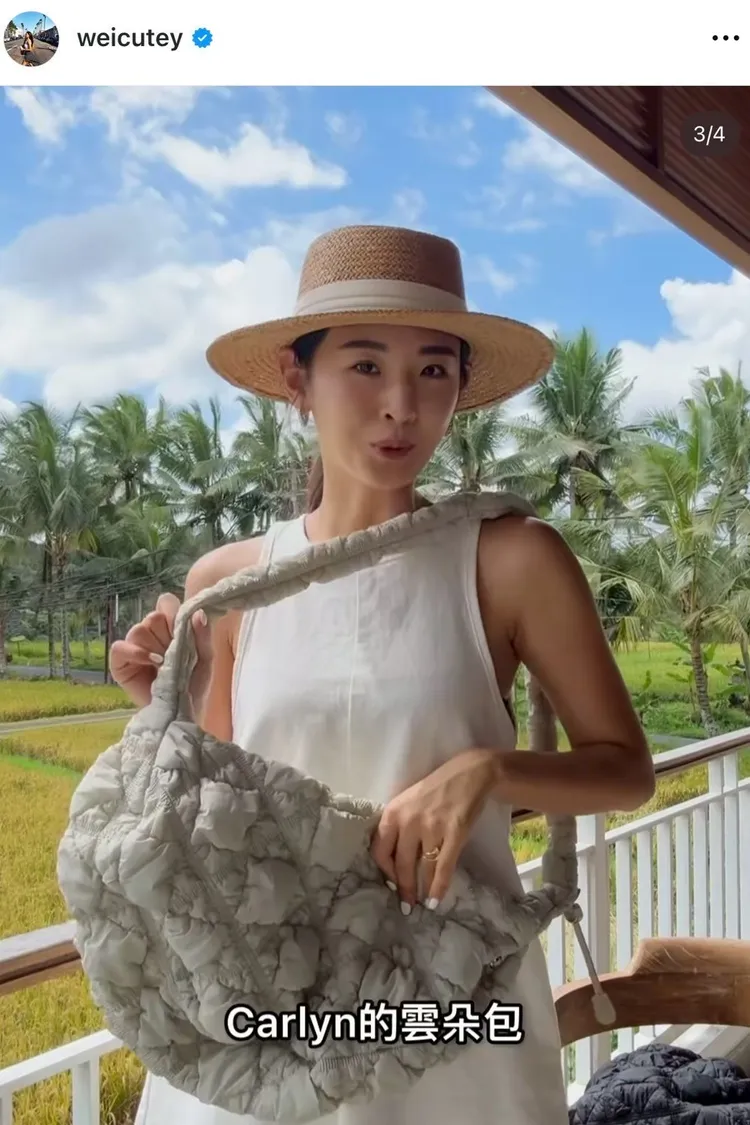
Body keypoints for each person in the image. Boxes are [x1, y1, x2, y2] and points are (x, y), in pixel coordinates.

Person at [113, 224, 655, 1125]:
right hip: (274, 1001)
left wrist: (488, 771)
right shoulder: (232, 582)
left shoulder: (510, 559)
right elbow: (219, 819)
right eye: (365, 365)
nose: (402, 405)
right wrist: (158, 711)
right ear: (297, 380)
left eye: (433, 370)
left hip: (456, 1012)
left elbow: (626, 769)